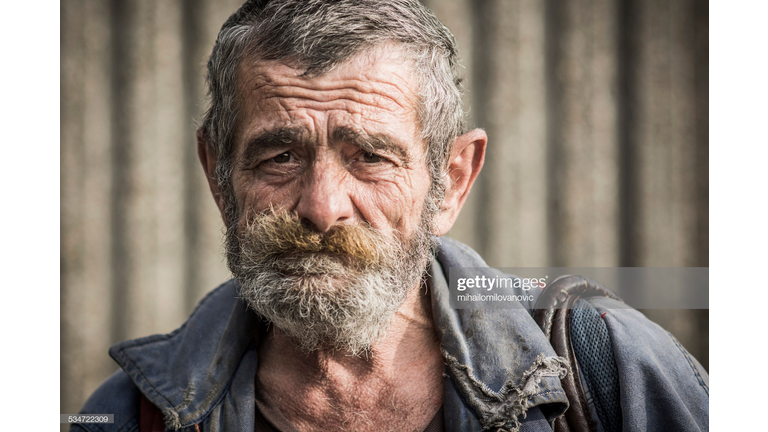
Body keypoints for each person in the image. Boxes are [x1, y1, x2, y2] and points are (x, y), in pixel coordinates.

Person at [73, 1, 709, 431]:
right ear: (218, 175)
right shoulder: (129, 415)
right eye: (279, 157)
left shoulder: (607, 366)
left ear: (451, 181)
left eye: (371, 157)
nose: (322, 208)